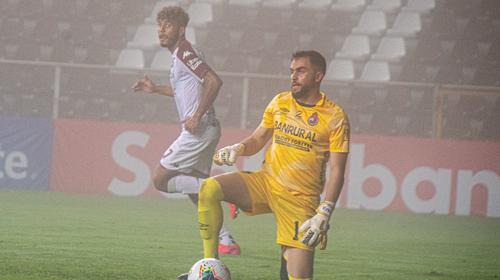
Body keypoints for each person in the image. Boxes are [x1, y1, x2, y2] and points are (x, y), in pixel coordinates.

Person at [178, 50, 350, 280]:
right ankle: (209, 268)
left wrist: (325, 212)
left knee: (298, 276)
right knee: (209, 188)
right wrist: (238, 148)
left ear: (318, 76)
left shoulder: (335, 117)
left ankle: (287, 259)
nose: (293, 76)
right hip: (266, 183)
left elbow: (338, 169)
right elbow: (258, 139)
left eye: (301, 71)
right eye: (292, 71)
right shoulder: (280, 102)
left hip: (300, 200)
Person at [132, 6, 240, 256]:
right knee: (195, 191)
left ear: (181, 29)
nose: (161, 30)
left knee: (160, 179)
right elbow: (185, 90)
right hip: (205, 129)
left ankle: (229, 191)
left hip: (198, 131)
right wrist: (156, 89)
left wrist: (197, 115)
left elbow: (214, 81)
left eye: (167, 25)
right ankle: (226, 240)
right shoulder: (180, 55)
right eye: (159, 25)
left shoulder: (184, 52)